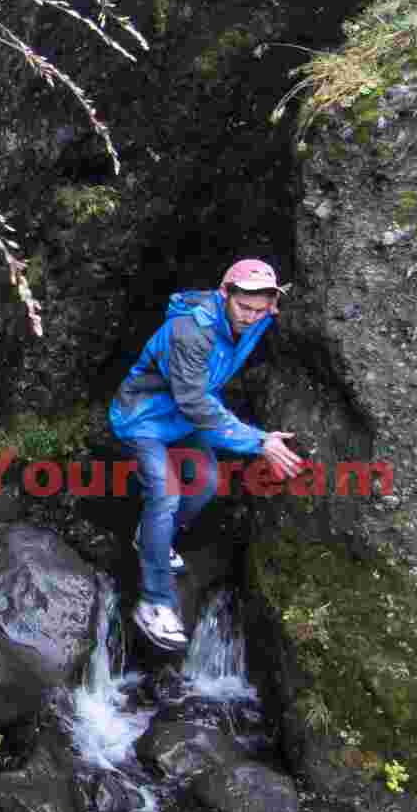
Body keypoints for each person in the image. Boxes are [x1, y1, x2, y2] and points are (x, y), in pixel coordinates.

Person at [109, 258, 306, 651]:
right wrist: (259, 440)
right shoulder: (190, 332)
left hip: (183, 422)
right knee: (165, 495)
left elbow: (284, 298)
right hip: (144, 419)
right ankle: (154, 603)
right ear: (224, 294)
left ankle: (150, 537)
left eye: (260, 309)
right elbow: (195, 402)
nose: (251, 318)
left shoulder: (260, 315)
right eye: (243, 308)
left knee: (206, 484)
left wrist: (278, 303)